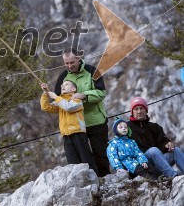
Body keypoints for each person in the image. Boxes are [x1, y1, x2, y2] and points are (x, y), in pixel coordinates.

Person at [41, 48, 110, 176]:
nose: (69, 65)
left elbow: (101, 93)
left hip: (95, 121)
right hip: (75, 126)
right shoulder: (62, 77)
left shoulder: (92, 71)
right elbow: (59, 100)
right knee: (80, 158)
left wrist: (84, 95)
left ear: (79, 58)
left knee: (101, 154)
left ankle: (105, 183)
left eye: (72, 62)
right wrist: (46, 94)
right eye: (66, 63)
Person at [40, 80, 98, 175]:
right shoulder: (60, 101)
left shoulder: (77, 99)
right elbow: (45, 107)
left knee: (86, 159)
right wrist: (45, 93)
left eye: (66, 84)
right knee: (73, 163)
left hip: (78, 133)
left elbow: (69, 107)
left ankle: (95, 178)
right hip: (66, 135)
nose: (63, 86)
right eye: (62, 85)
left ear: (73, 89)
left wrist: (55, 97)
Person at [126, 97, 184, 178]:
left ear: (146, 110)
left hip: (158, 163)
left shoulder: (155, 127)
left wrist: (167, 145)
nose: (139, 111)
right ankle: (174, 177)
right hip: (142, 165)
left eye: (141, 108)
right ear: (132, 112)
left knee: (176, 150)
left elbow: (163, 142)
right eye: (136, 109)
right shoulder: (126, 127)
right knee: (153, 151)